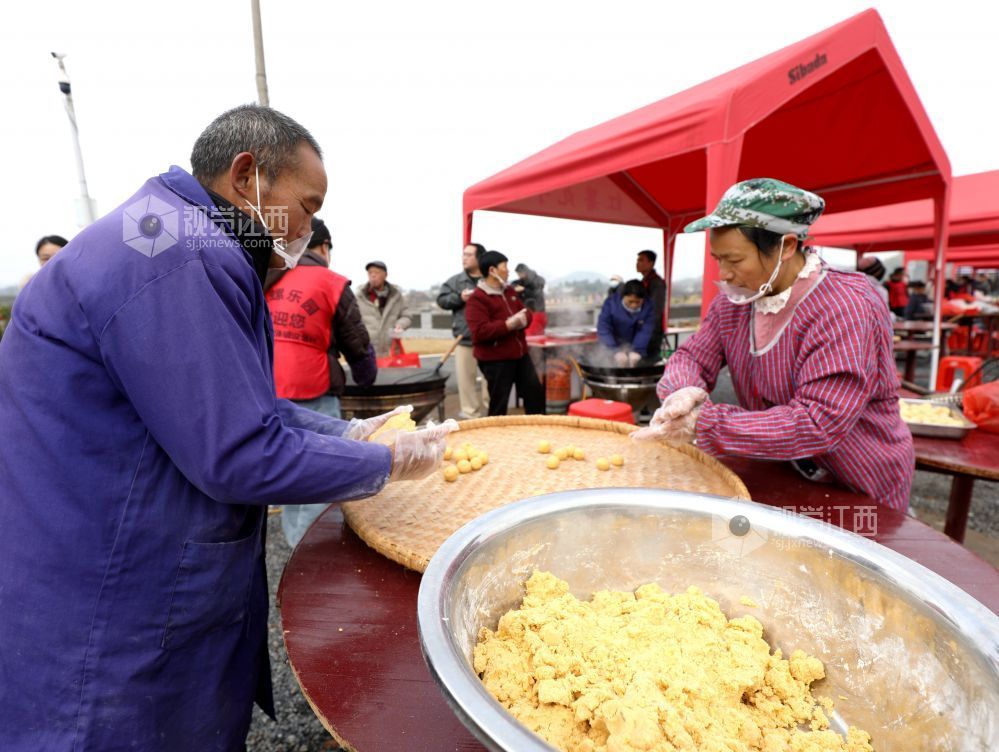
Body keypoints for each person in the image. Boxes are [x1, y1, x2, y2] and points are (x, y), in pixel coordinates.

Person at [0, 104, 457, 751]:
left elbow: (236, 403)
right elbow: (237, 451)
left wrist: (351, 433)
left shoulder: (160, 233)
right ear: (249, 176)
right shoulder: (172, 254)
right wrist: (386, 464)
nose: (303, 228)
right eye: (305, 204)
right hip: (112, 598)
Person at [633, 178, 913, 510]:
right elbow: (693, 355)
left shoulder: (845, 306)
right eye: (717, 259)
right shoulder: (734, 303)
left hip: (858, 484)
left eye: (735, 261)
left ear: (788, 246)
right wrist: (682, 391)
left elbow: (818, 421)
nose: (724, 274)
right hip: (777, 471)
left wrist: (704, 423)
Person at [266, 216, 379, 546]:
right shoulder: (330, 282)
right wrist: (366, 377)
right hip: (313, 391)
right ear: (323, 247)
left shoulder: (268, 278)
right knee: (321, 474)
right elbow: (356, 342)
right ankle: (309, 553)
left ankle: (292, 543)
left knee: (287, 473)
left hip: (268, 393)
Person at [465, 250, 545, 416]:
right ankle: (495, 438)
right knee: (499, 402)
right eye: (505, 266)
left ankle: (538, 431)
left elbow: (526, 312)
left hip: (520, 354)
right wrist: (508, 325)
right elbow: (480, 332)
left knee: (535, 393)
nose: (508, 271)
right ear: (492, 271)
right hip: (496, 359)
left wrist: (524, 319)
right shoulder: (477, 298)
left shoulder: (509, 292)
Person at [437, 243, 488, 419]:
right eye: (463, 255)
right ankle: (470, 415)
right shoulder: (456, 281)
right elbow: (441, 300)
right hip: (464, 338)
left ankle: (494, 414)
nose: (464, 258)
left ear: (480, 258)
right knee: (466, 381)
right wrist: (459, 298)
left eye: (469, 255)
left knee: (492, 380)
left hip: (489, 338)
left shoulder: (490, 278)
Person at [357, 260, 411, 356]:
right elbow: (353, 322)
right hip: (368, 352)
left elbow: (407, 316)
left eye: (376, 272)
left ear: (385, 275)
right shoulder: (360, 297)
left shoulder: (396, 295)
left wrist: (400, 325)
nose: (373, 275)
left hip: (392, 351)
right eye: (370, 273)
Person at [597, 279, 656, 366]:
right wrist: (614, 351)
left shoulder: (649, 306)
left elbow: (645, 330)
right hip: (614, 343)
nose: (634, 305)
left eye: (638, 302)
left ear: (643, 299)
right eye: (630, 301)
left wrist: (637, 350)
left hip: (637, 345)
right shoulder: (611, 303)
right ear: (623, 296)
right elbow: (604, 328)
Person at [635, 249, 667, 358]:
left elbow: (656, 310)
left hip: (651, 332)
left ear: (651, 263)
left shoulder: (656, 283)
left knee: (648, 362)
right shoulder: (643, 281)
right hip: (642, 330)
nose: (637, 263)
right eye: (637, 260)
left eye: (641, 260)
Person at [512, 262, 547, 335]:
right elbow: (514, 284)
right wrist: (514, 287)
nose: (519, 276)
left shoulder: (537, 280)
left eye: (519, 274)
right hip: (528, 312)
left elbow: (537, 293)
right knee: (535, 335)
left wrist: (523, 289)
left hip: (537, 311)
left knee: (532, 336)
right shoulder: (522, 281)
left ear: (524, 272)